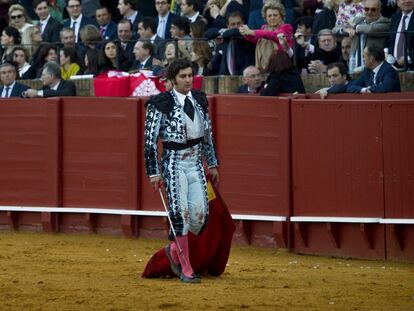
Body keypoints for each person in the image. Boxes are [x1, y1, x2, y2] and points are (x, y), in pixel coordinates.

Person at [144, 58, 219, 283]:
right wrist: (153, 172)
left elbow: (208, 135)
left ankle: (175, 250)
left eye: (190, 76)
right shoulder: (160, 103)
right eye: (183, 76)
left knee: (199, 216)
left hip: (196, 162)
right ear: (173, 79)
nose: (188, 80)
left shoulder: (199, 99)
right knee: (181, 215)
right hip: (173, 163)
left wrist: (213, 163)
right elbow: (149, 142)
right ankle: (186, 267)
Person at [333, 0, 390, 74]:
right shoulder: (358, 20)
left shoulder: (385, 22)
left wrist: (355, 27)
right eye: (366, 9)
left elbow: (371, 29)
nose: (369, 12)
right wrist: (346, 29)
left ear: (379, 10)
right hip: (354, 64)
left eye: (373, 9)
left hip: (373, 67)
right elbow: (334, 29)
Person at [239, 2, 293, 71]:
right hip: (263, 67)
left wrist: (252, 32)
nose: (272, 17)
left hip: (280, 67)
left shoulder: (286, 27)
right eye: (269, 16)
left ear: (281, 16)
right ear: (265, 18)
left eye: (275, 15)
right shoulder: (263, 28)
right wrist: (246, 33)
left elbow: (273, 35)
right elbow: (255, 39)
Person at [385, 0, 414, 70]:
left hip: (411, 68)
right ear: (398, 3)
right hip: (393, 67)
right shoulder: (395, 17)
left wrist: (408, 58)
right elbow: (388, 39)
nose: (407, 1)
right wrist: (385, 53)